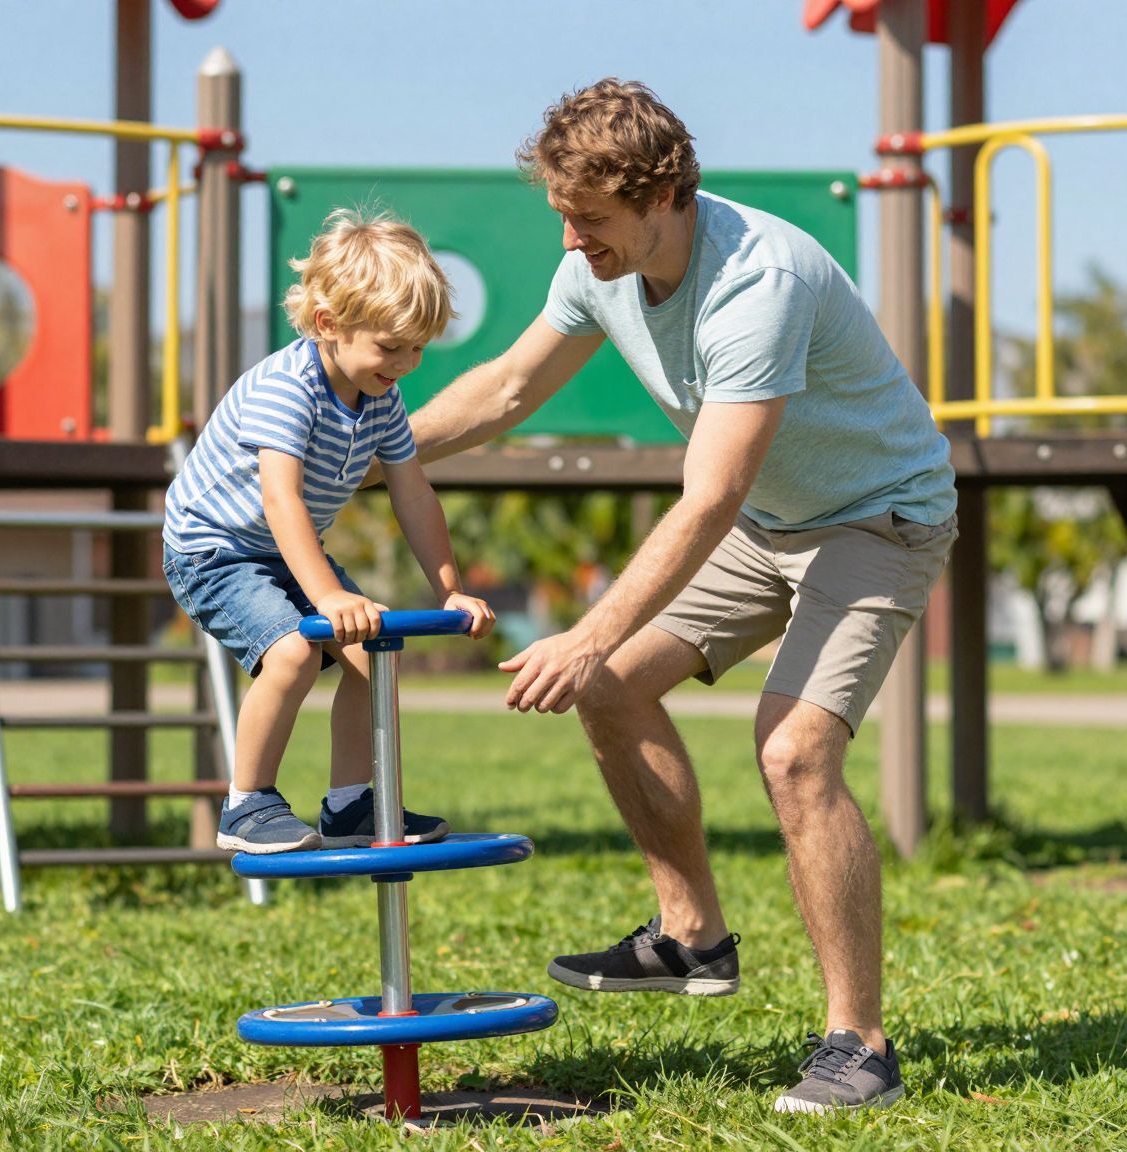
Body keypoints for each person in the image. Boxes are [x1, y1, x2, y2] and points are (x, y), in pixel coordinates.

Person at [404, 79, 956, 1113]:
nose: (571, 241)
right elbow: (509, 388)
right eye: (562, 216)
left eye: (589, 219)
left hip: (877, 517)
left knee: (794, 753)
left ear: (663, 197)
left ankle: (860, 1044)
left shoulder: (759, 281)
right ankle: (690, 936)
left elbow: (710, 495)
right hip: (770, 521)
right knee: (611, 685)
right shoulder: (596, 266)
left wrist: (586, 632)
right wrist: (368, 450)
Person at [163, 208, 495, 854]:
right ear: (328, 324)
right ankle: (246, 804)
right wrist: (329, 594)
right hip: (213, 549)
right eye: (391, 346)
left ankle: (350, 806)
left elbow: (413, 493)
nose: (406, 363)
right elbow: (281, 499)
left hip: (276, 550)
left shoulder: (381, 396)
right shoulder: (287, 390)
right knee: (292, 653)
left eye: (418, 347)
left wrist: (449, 589)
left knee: (374, 657)